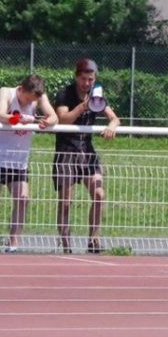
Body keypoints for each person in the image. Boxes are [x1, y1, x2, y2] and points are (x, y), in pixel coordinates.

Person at [0, 74, 58, 252]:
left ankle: (13, 242)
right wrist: (16, 119)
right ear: (21, 89)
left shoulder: (40, 97)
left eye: (32, 101)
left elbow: (54, 116)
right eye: (27, 99)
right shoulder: (6, 92)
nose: (28, 103)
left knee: (22, 198)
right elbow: (0, 115)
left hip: (18, 160)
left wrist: (47, 121)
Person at [53, 58, 119, 255]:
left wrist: (112, 126)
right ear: (76, 77)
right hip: (66, 149)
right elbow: (62, 119)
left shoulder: (97, 94)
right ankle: (66, 245)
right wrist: (82, 107)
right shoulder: (65, 93)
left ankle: (94, 239)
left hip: (86, 150)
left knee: (99, 194)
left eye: (90, 79)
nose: (87, 84)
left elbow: (114, 117)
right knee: (66, 201)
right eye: (83, 79)